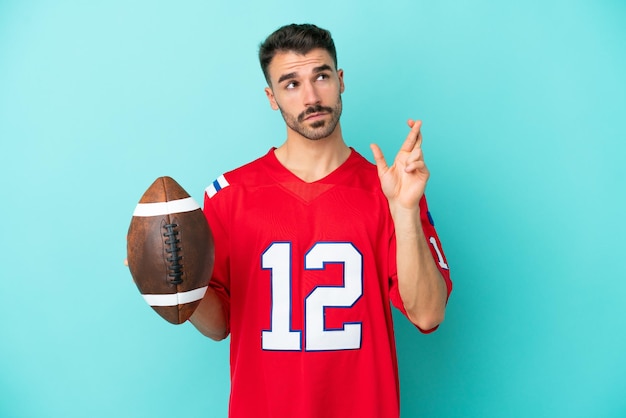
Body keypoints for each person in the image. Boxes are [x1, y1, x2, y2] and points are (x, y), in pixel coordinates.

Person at [189, 23, 452, 418]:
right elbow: (219, 325)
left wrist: (404, 211)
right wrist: (176, 287)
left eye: (321, 76)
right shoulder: (228, 196)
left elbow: (429, 314)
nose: (311, 97)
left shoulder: (390, 189)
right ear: (272, 97)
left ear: (340, 80)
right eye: (291, 84)